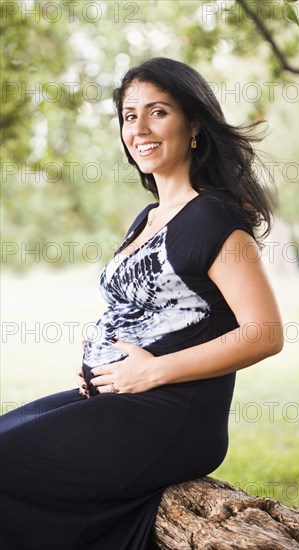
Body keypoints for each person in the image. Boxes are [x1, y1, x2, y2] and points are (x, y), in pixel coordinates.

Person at [0, 57, 283, 549]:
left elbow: (264, 333)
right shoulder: (150, 216)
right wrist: (99, 360)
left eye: (158, 112)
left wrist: (150, 371)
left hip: (171, 413)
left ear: (193, 124)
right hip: (121, 399)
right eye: (130, 115)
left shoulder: (214, 218)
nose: (140, 128)